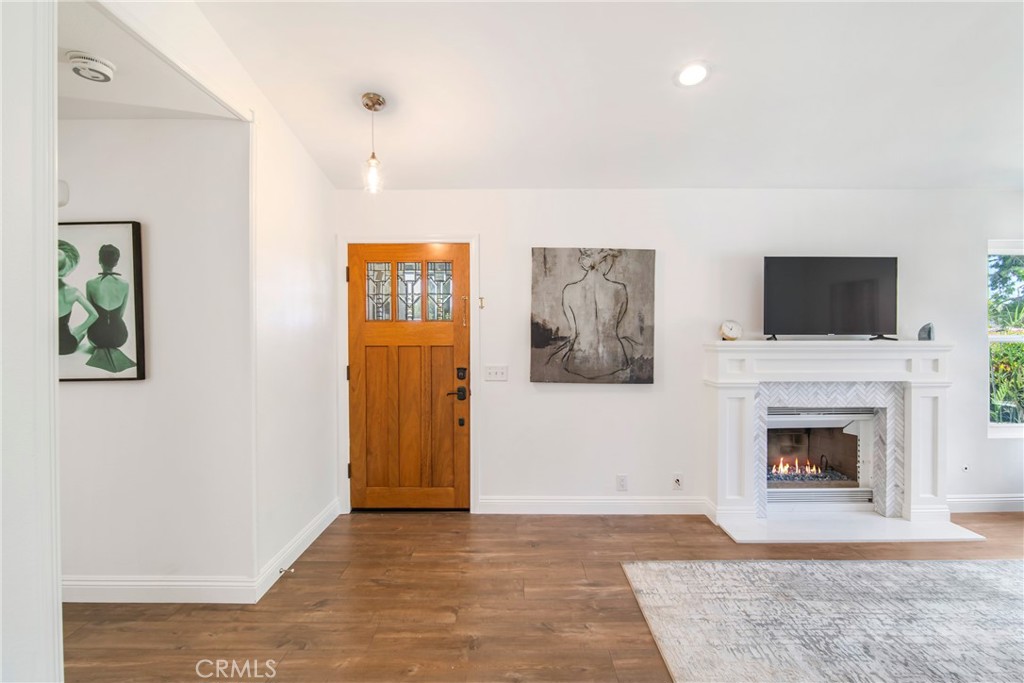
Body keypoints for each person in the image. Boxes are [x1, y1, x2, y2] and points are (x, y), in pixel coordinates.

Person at [549, 248, 638, 379]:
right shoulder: (620, 290)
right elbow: (616, 325)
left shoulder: (568, 291)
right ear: (606, 261)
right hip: (614, 361)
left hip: (578, 363)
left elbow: (573, 335)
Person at [85, 244, 136, 373]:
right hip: (119, 337)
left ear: (99, 260)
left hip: (96, 337)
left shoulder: (90, 284)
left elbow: (92, 315)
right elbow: (121, 314)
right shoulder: (125, 284)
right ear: (116, 262)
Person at [57, 240, 98, 355]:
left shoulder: (37, 291)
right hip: (65, 346)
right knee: (83, 333)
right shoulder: (74, 292)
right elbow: (94, 315)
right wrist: (76, 331)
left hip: (43, 346)